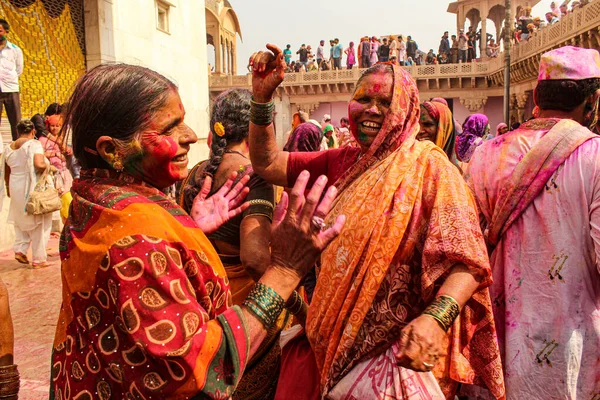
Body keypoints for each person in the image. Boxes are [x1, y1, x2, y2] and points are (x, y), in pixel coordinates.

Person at [49, 63, 345, 399]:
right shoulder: (138, 240)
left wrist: (187, 231)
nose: (190, 136)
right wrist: (286, 270)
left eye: (185, 121)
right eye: (170, 129)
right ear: (111, 150)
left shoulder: (94, 199)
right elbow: (199, 371)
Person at [247, 44, 504, 400]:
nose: (371, 109)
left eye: (385, 102)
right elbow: (266, 163)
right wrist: (262, 100)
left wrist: (435, 319)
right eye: (363, 98)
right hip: (332, 349)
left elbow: (468, 263)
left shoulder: (433, 170)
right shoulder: (341, 161)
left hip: (397, 359)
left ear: (406, 111)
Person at [464, 46, 600, 400]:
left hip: (495, 343)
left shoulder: (485, 154)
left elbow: (466, 249)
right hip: (567, 348)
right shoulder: (595, 156)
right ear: (593, 101)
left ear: (537, 96)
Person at [179, 89, 288, 399]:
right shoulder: (255, 176)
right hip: (240, 307)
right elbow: (253, 259)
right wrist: (292, 297)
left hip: (203, 297)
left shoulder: (197, 172)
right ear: (257, 129)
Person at [1, 119, 51, 268]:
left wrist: (9, 189)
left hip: (15, 185)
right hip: (30, 185)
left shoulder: (9, 147)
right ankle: (39, 259)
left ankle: (20, 250)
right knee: (38, 221)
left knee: (20, 219)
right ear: (33, 131)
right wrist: (50, 166)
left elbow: (7, 171)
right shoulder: (34, 144)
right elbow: (39, 164)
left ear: (18, 131)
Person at [38, 115, 73, 199]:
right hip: (52, 173)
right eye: (52, 126)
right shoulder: (42, 139)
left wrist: (69, 151)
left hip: (64, 172)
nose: (55, 128)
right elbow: (40, 154)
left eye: (57, 126)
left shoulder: (62, 138)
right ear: (48, 126)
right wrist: (55, 154)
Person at [0, 19, 23, 141]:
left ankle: (18, 149)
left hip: (11, 89)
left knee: (16, 123)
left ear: (6, 32)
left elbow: (19, 69)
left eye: (0, 30)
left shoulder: (15, 50)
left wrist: (9, 80)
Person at [418, 101, 459, 165]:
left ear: (445, 128)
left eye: (428, 124)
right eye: (416, 125)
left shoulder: (455, 171)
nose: (419, 131)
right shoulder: (406, 162)